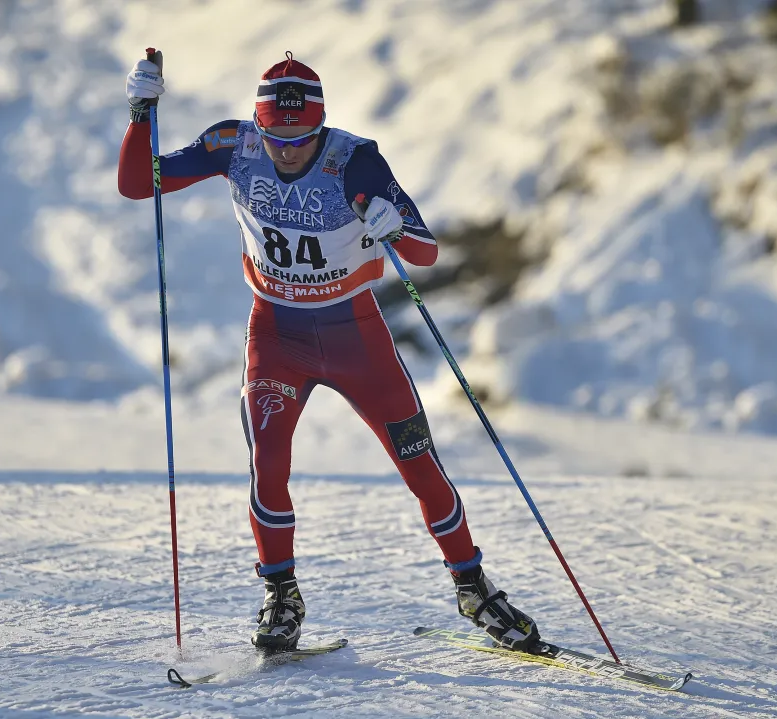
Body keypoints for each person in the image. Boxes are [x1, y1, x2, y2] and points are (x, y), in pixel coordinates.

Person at [118, 51, 540, 653]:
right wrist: (141, 112)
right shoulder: (231, 146)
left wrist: (395, 224)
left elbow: (424, 253)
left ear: (321, 128)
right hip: (277, 334)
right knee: (268, 460)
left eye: (302, 139)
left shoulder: (354, 159)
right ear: (258, 126)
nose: (288, 152)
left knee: (420, 466)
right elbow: (140, 184)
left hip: (355, 334)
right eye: (276, 139)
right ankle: (281, 595)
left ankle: (472, 585)